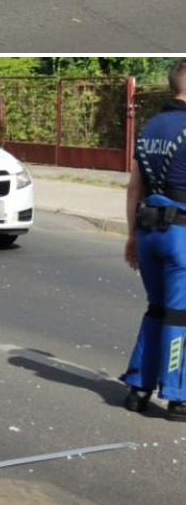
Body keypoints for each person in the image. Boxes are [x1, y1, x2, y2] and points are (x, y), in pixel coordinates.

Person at [121, 59, 186, 421]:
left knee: (157, 309)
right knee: (179, 315)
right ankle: (178, 396)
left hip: (148, 232)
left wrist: (131, 235)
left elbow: (134, 187)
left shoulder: (149, 128)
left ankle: (138, 388)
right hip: (181, 234)